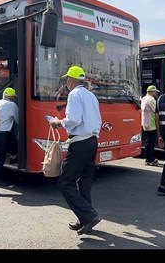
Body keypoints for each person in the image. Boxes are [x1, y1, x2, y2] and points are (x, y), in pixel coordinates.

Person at [49, 66, 102, 235]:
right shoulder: (91, 95)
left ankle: (89, 215)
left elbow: (74, 119)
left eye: (67, 80)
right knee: (84, 181)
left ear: (71, 80)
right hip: (92, 141)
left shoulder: (74, 94)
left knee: (65, 182)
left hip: (79, 142)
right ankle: (84, 218)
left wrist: (58, 123)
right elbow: (97, 120)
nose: (67, 83)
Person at [141, 85, 160, 166]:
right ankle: (150, 159)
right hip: (151, 124)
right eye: (155, 92)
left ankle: (149, 158)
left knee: (148, 142)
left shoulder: (144, 98)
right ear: (151, 92)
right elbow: (156, 110)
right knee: (150, 143)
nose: (155, 93)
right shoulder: (151, 100)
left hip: (145, 123)